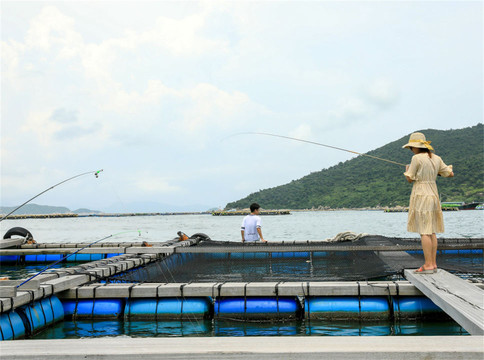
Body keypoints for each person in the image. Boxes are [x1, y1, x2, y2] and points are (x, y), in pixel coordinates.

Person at [402, 132, 454, 273]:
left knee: (424, 232)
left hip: (421, 194)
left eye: (411, 147)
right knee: (431, 231)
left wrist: (407, 171)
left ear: (415, 147)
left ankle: (428, 265)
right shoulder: (436, 158)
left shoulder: (416, 158)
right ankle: (433, 264)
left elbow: (410, 178)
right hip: (433, 193)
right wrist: (434, 171)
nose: (411, 150)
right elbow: (450, 174)